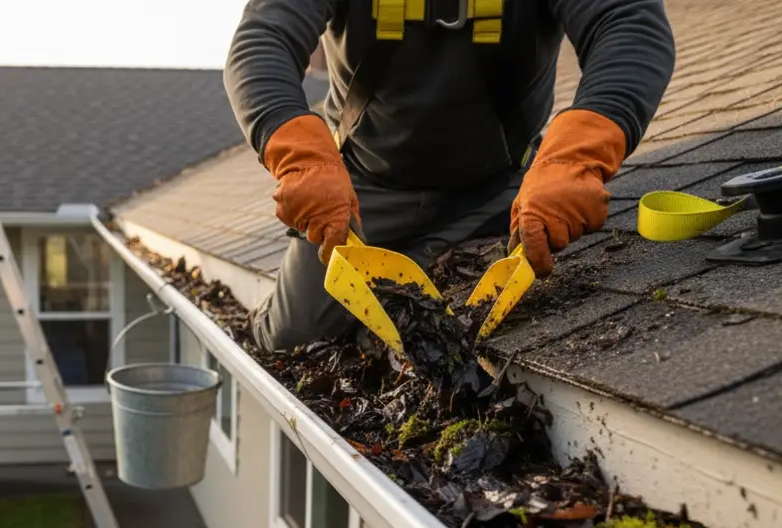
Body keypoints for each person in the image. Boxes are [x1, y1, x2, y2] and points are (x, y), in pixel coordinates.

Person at [223, 0, 675, 352]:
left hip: (502, 192)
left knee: (457, 333)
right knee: (294, 337)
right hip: (356, 197)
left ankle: (427, 258)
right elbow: (262, 43)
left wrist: (576, 159)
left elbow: (628, 25)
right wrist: (303, 161)